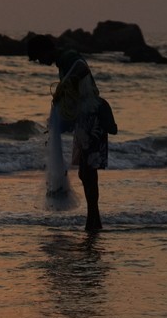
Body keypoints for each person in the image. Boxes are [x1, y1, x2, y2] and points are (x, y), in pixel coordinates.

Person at [28, 34, 114, 231]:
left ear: (45, 50)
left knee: (88, 172)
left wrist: (65, 83)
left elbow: (81, 67)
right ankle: (94, 220)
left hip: (91, 119)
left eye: (39, 57)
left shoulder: (68, 57)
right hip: (84, 120)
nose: (41, 62)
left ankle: (94, 222)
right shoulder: (62, 62)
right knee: (86, 173)